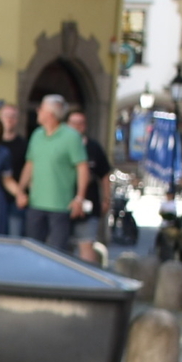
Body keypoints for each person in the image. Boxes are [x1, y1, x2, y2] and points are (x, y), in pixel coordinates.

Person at [11, 94, 89, 253]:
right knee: (32, 249)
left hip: (60, 205)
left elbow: (82, 168)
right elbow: (30, 164)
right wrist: (20, 191)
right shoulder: (37, 135)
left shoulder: (71, 137)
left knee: (57, 252)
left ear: (50, 114)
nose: (37, 111)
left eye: (41, 108)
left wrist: (79, 198)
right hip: (36, 203)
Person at [67, 109, 111, 263]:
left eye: (80, 123)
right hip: (63, 203)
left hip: (89, 203)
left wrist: (106, 199)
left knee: (86, 244)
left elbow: (105, 175)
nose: (77, 127)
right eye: (74, 123)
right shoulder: (62, 145)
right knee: (61, 247)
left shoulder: (94, 147)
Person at [0, 102, 28, 237]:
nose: (9, 120)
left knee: (14, 238)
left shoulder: (24, 144)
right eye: (6, 116)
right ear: (0, 118)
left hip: (16, 199)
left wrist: (22, 194)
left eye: (13, 116)